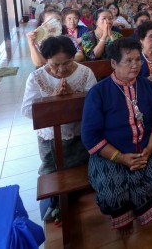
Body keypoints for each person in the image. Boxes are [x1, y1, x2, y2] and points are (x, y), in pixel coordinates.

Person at [81, 38, 152, 236]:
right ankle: (124, 220)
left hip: (144, 148)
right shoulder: (99, 92)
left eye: (138, 60)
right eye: (129, 61)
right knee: (113, 191)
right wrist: (121, 157)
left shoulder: (146, 85)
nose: (135, 65)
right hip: (110, 154)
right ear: (114, 63)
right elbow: (90, 136)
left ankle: (147, 212)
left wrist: (149, 149)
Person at [21, 36, 96, 220]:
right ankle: (52, 207)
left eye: (67, 62)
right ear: (46, 60)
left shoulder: (85, 73)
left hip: (80, 136)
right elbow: (27, 111)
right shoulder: (37, 77)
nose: (62, 69)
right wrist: (52, 100)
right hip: (51, 141)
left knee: (80, 174)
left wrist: (73, 98)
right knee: (52, 176)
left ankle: (77, 203)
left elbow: (95, 106)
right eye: (55, 64)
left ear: (73, 57)